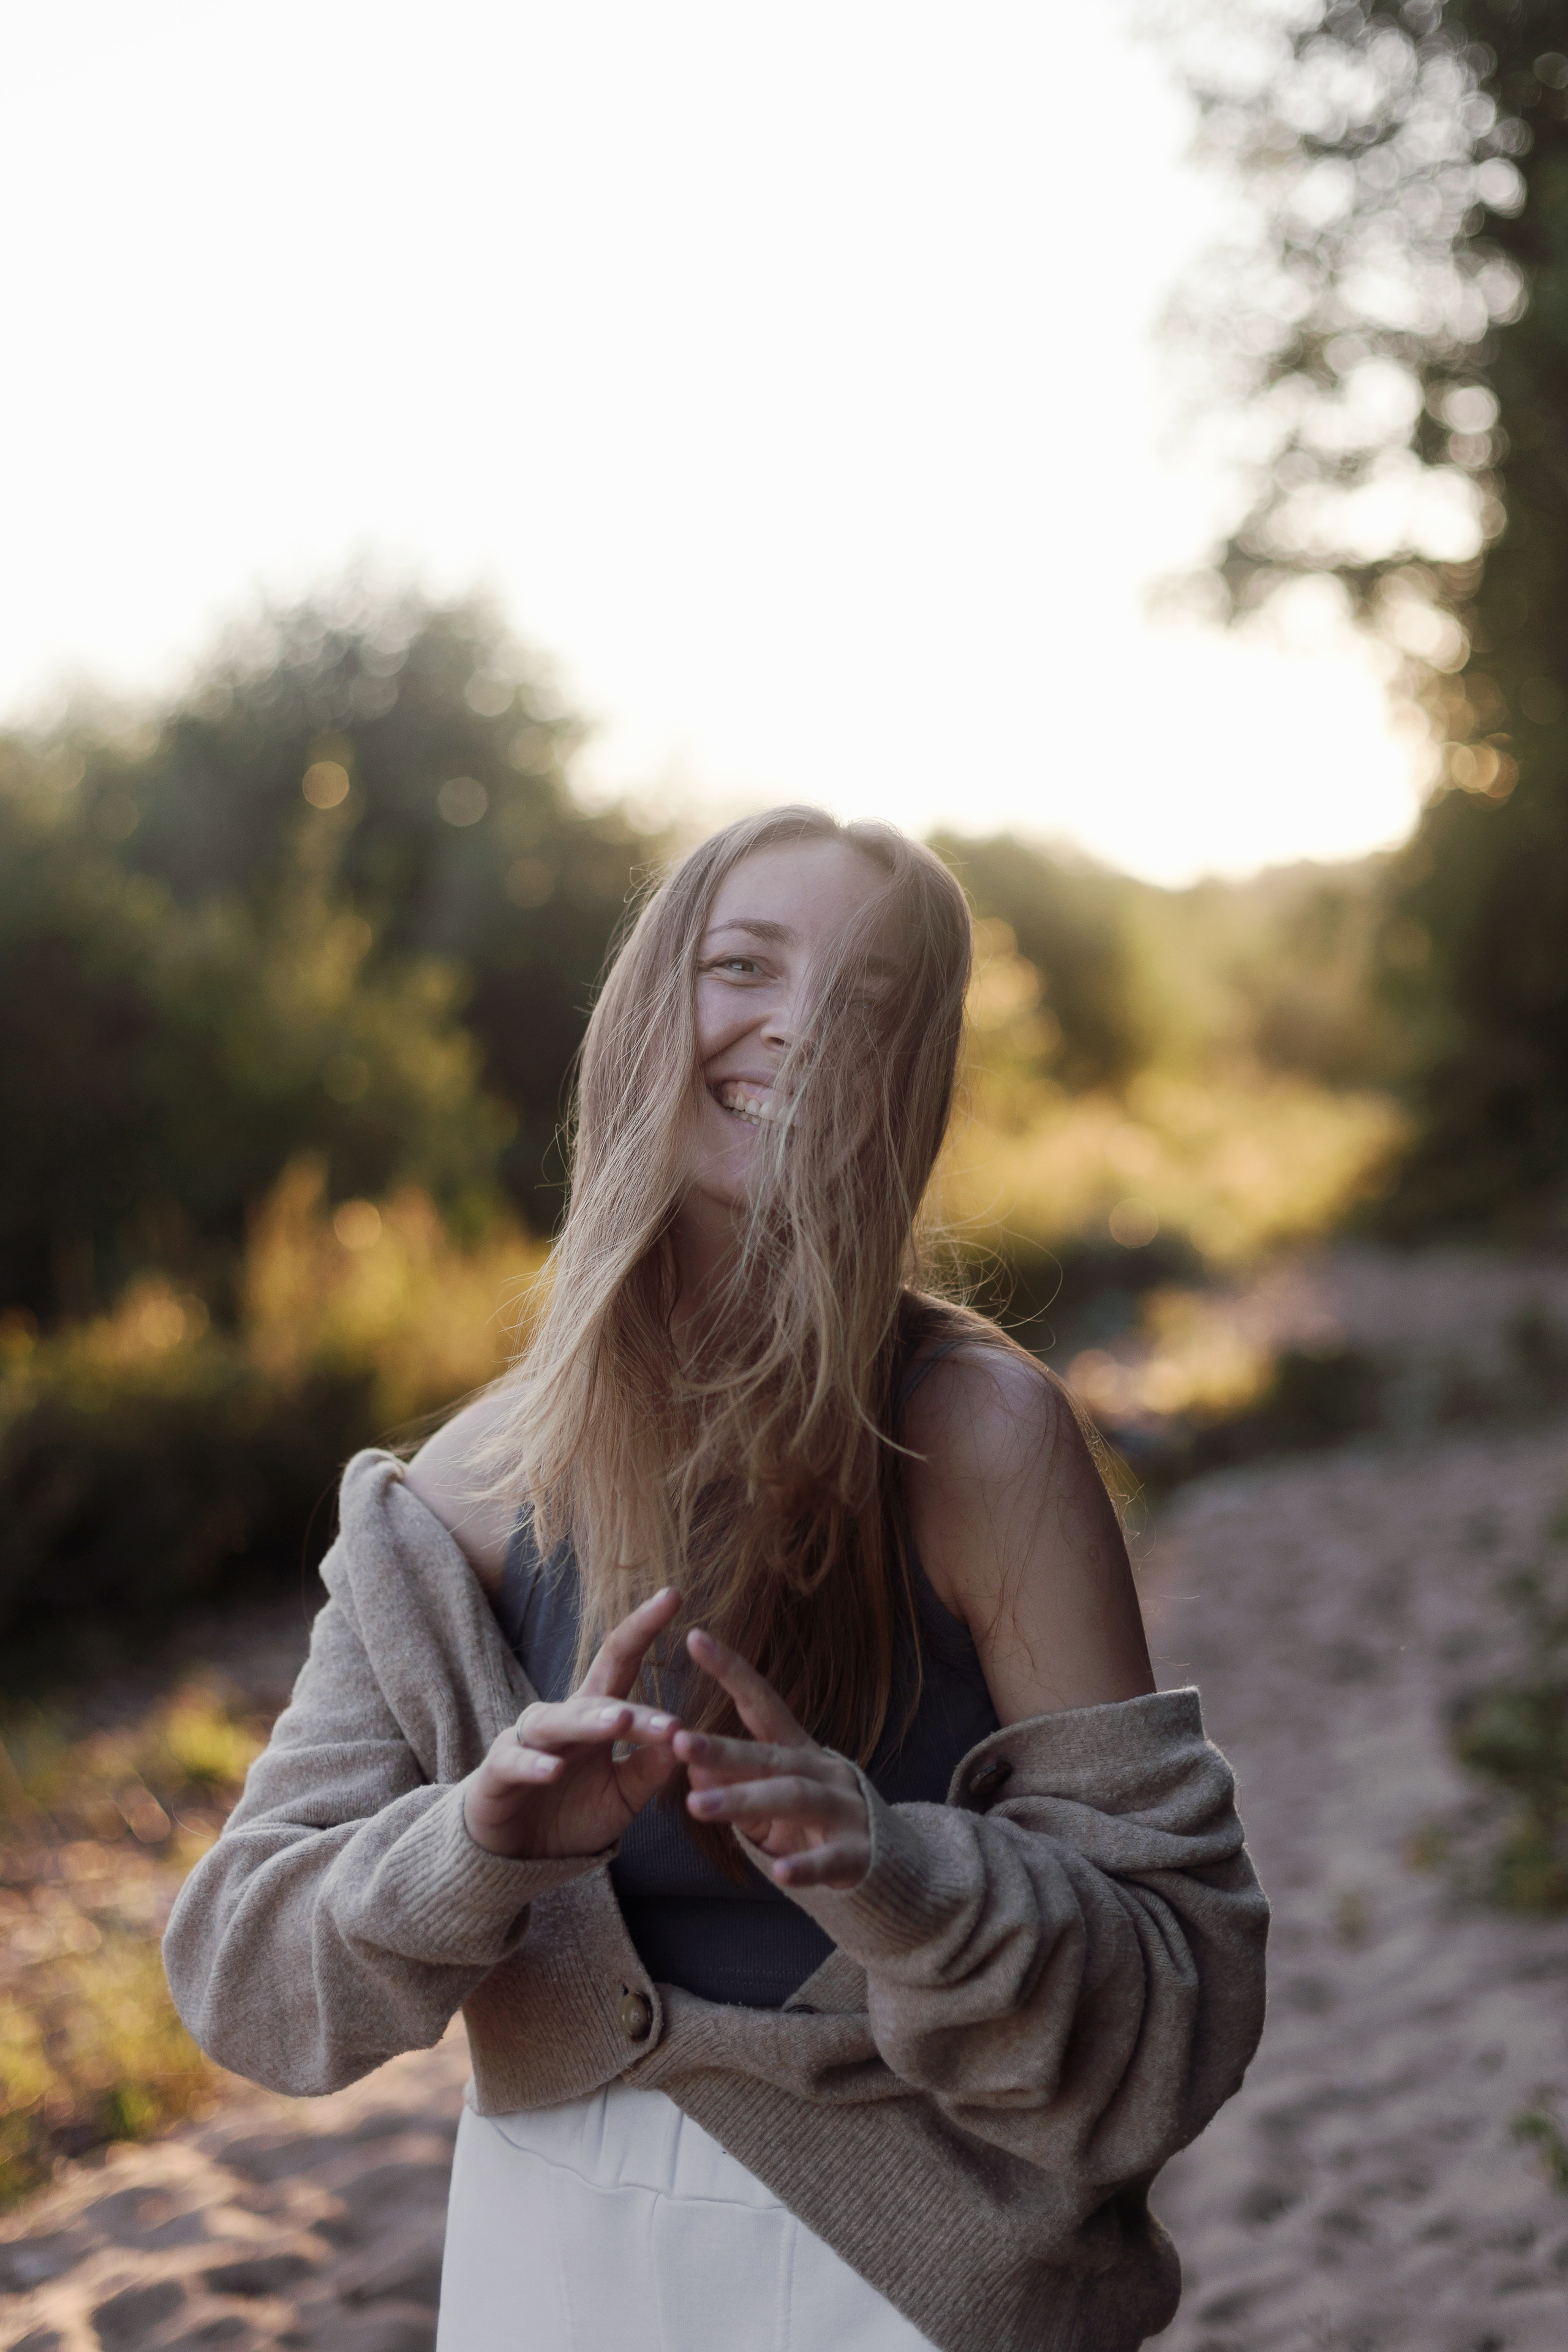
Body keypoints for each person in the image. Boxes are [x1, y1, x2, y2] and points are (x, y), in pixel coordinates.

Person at [165, 807, 1268, 2352]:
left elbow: (1182, 1998)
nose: (801, 1026)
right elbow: (242, 1975)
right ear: (640, 1012)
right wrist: (474, 1844)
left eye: (872, 1003)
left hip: (922, 2290)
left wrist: (892, 1873)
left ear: (915, 1077)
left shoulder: (983, 1437)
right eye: (741, 963)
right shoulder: (448, 1501)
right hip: (544, 2264)